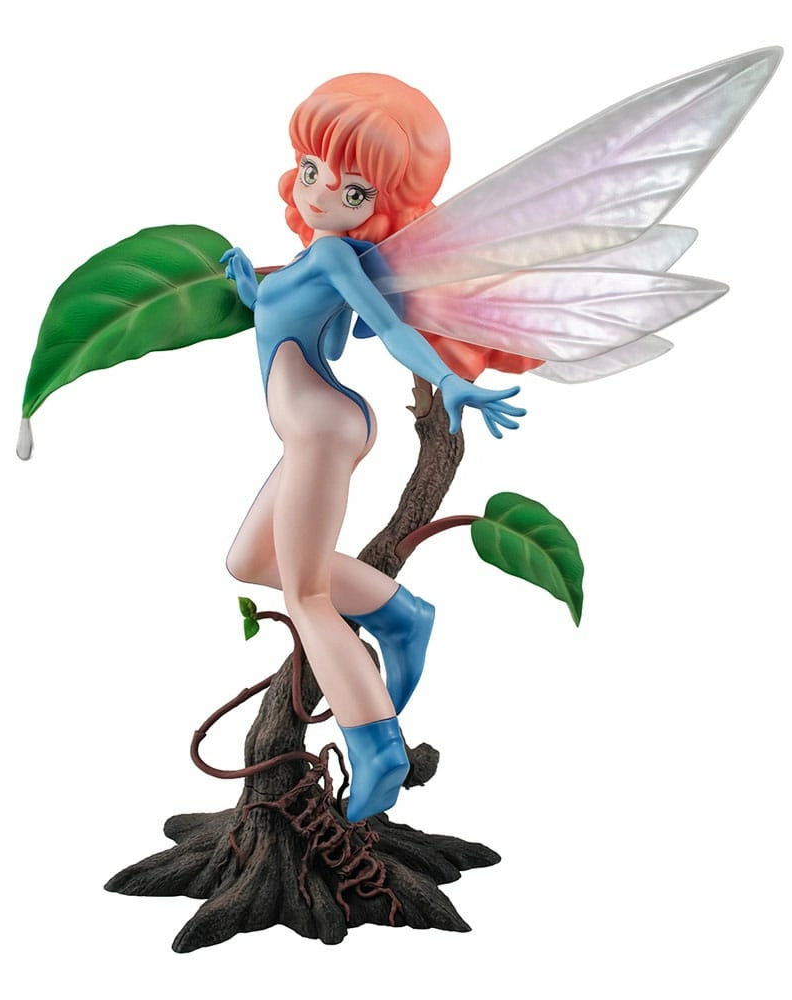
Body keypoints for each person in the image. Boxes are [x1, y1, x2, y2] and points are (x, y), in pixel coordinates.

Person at [222, 74, 525, 823]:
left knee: (307, 597)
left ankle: (379, 750)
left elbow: (388, 328)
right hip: (309, 428)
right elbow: (295, 320)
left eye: (352, 190)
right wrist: (250, 289)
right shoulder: (313, 257)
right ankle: (400, 615)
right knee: (250, 562)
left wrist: (446, 381)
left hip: (322, 430)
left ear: (379, 208)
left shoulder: (338, 260)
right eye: (313, 170)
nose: (322, 193)